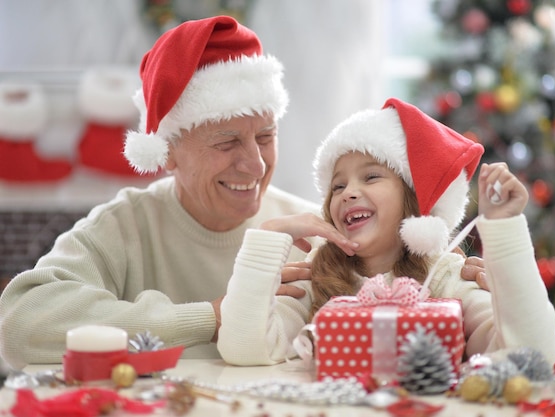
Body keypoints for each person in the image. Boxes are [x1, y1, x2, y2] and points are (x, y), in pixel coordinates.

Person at [0, 17, 485, 370]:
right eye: (227, 141)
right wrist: (207, 317)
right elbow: (21, 325)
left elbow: (401, 287)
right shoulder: (125, 226)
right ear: (168, 152)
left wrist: (459, 272)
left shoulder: (317, 235)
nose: (254, 164)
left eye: (266, 137)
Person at [218, 98, 555, 367]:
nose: (348, 192)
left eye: (370, 177)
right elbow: (244, 349)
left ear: (413, 203)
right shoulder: (316, 277)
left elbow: (531, 353)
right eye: (337, 186)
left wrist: (504, 228)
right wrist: (267, 236)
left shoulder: (446, 278)